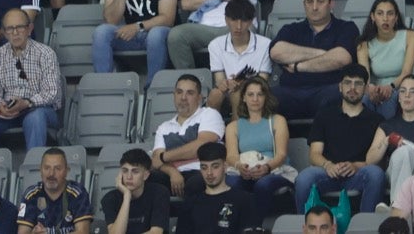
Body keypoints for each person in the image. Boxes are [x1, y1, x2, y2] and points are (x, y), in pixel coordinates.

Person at [293, 64, 387, 213]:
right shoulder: (324, 115)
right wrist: (328, 165)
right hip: (327, 172)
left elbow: (379, 163)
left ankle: (366, 223)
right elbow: (314, 154)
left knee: (376, 174)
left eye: (358, 84)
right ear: (340, 87)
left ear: (365, 88)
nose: (352, 88)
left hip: (358, 173)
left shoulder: (377, 120)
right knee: (304, 178)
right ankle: (306, 224)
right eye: (347, 82)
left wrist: (356, 166)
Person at [269, 0, 360, 119]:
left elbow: (342, 59)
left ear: (331, 4)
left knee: (340, 94)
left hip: (328, 90)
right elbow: (276, 52)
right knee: (265, 96)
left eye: (320, 1)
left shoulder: (346, 28)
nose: (314, 7)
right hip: (291, 92)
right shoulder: (291, 29)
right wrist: (324, 54)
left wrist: (298, 67)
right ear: (304, 4)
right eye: (310, 2)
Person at [0, 8, 61, 150]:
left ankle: (34, 163)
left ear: (29, 29)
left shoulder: (46, 54)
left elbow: (52, 93)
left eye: (20, 27)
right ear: (4, 33)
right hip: (8, 112)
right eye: (10, 29)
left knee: (35, 117)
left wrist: (27, 103)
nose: (15, 33)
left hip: (39, 109)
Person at [224, 74, 295, 222]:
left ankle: (255, 225)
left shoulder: (277, 120)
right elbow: (231, 155)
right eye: (250, 94)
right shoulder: (233, 126)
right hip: (246, 170)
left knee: (263, 184)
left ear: (266, 97)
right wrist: (240, 166)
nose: (255, 99)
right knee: (231, 183)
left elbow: (281, 154)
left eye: (260, 94)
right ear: (244, 97)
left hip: (274, 170)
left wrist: (266, 168)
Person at [149, 73, 224, 196]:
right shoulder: (164, 127)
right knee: (145, 179)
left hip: (202, 170)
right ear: (174, 95)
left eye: (190, 93)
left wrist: (164, 157)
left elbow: (202, 147)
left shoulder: (209, 114)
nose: (183, 97)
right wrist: (172, 172)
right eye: (179, 92)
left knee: (195, 184)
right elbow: (157, 161)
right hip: (173, 174)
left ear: (199, 98)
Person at [14, 148, 92, 234]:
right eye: (47, 168)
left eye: (57, 168)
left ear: (66, 171)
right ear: (40, 170)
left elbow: (83, 232)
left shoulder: (78, 193)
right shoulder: (31, 194)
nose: (51, 173)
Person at [99, 150, 168, 234]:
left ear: (146, 175)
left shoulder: (159, 193)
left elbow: (156, 232)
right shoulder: (110, 199)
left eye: (135, 172)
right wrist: (127, 196)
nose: (129, 177)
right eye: (125, 171)